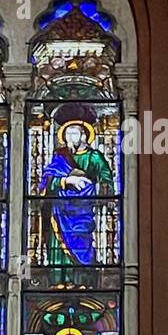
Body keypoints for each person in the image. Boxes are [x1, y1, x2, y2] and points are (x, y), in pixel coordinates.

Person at [39, 103, 114, 283]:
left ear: (84, 135)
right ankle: (59, 280)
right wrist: (67, 181)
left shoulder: (94, 157)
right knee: (57, 245)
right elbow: (46, 181)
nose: (70, 137)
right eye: (68, 133)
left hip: (83, 210)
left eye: (75, 132)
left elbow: (106, 178)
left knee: (82, 242)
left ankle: (83, 281)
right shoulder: (59, 157)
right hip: (60, 211)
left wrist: (97, 189)